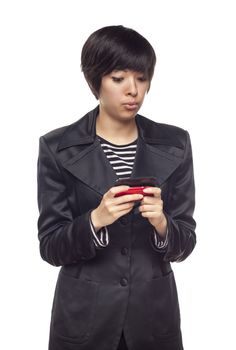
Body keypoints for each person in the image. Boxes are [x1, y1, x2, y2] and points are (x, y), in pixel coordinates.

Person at [37, 25, 196, 350]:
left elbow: (187, 241)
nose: (133, 90)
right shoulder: (58, 147)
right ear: (96, 80)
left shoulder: (175, 144)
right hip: (84, 319)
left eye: (141, 78)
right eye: (119, 78)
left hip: (153, 318)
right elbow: (50, 246)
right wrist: (95, 220)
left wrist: (162, 223)